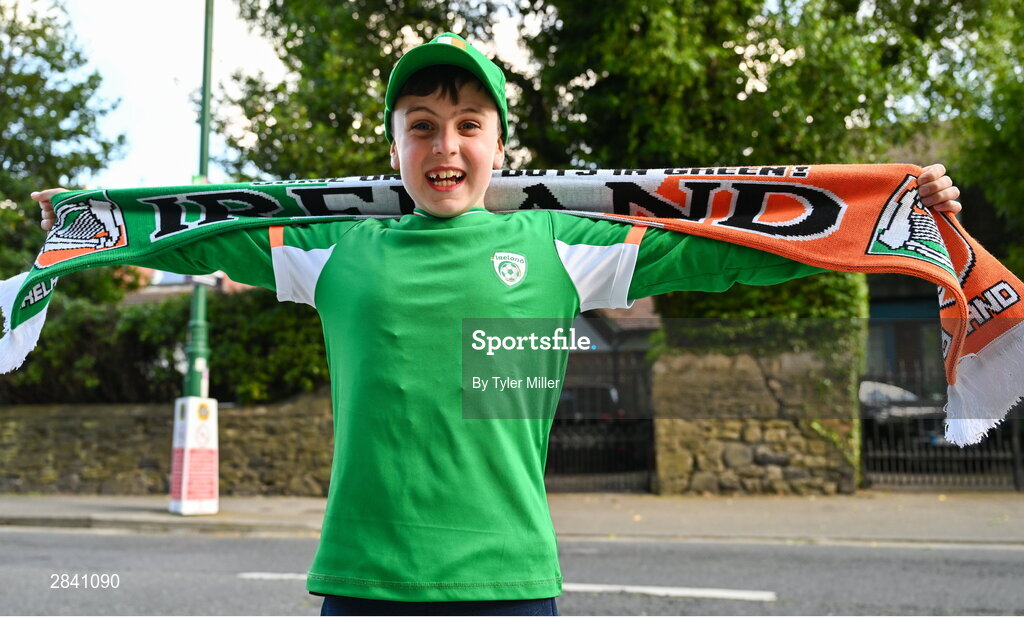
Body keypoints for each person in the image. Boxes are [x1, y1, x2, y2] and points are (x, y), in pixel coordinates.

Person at [31, 33, 963, 616]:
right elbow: (206, 230)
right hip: (363, 584)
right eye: (423, 125)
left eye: (469, 124)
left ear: (499, 144)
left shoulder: (558, 243)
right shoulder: (335, 252)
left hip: (510, 586)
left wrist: (895, 211)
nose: (447, 146)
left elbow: (727, 243)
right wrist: (91, 223)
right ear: (394, 144)